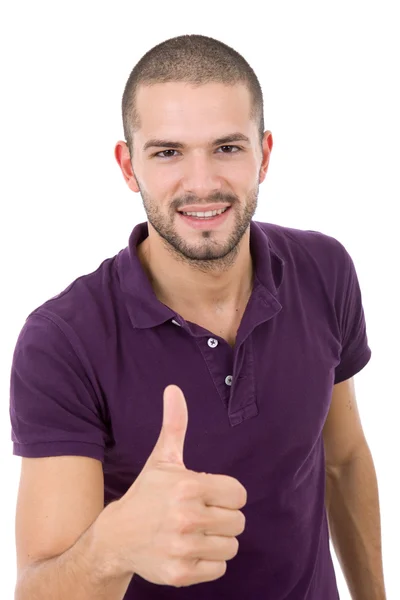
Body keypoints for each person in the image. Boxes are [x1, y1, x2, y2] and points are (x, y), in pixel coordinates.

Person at [9, 34, 386, 600]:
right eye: (167, 152)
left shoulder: (324, 269)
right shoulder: (62, 341)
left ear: (265, 154)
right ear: (128, 166)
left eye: (228, 148)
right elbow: (37, 587)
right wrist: (115, 544)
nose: (203, 182)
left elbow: (345, 457)